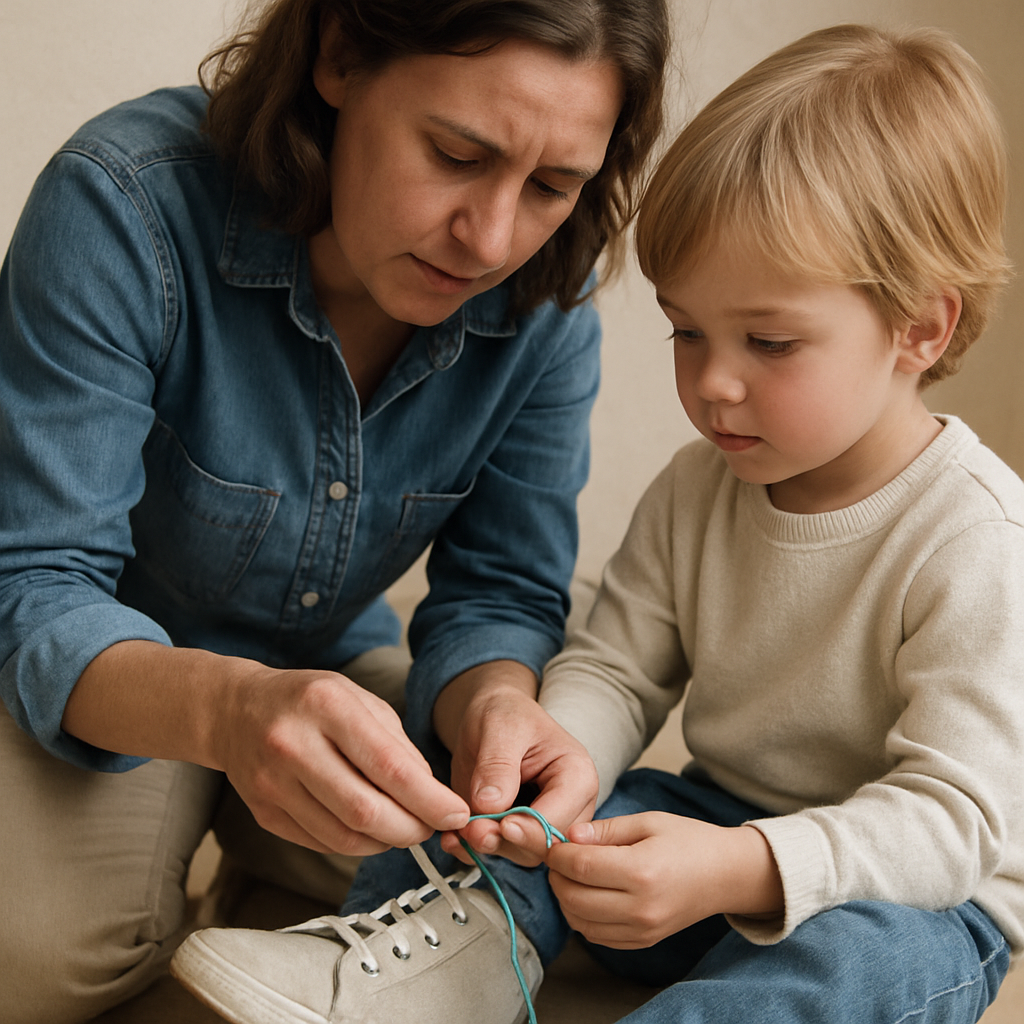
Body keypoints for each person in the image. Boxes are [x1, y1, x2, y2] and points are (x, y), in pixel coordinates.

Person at [172, 22, 1023, 1024]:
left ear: (920, 327)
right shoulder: (699, 488)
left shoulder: (976, 539)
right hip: (711, 832)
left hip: (910, 896)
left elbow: (956, 820)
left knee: (856, 961)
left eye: (769, 340)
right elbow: (616, 668)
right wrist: (541, 791)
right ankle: (394, 985)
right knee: (564, 819)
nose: (711, 383)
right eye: (687, 331)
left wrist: (743, 866)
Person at [0, 1, 669, 1020]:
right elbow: (35, 585)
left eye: (549, 186)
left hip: (332, 668)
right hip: (114, 685)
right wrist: (230, 713)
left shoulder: (546, 297)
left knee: (566, 900)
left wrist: (492, 703)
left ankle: (263, 889)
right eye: (454, 153)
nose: (490, 238)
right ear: (341, 54)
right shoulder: (123, 204)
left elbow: (499, 590)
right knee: (29, 962)